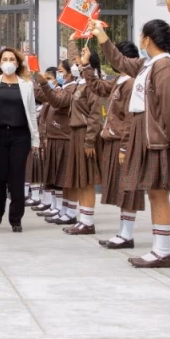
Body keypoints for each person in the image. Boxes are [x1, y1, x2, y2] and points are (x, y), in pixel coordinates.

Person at [91, 18, 170, 267]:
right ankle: (158, 250)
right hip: (144, 137)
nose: (140, 40)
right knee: (154, 194)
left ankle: (162, 252)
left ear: (148, 40)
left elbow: (169, 108)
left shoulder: (164, 66)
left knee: (159, 194)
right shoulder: (148, 64)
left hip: (156, 140)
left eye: (142, 35)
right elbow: (120, 61)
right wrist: (101, 36)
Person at [81, 41, 146, 248]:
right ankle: (122, 233)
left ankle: (126, 235)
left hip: (122, 141)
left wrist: (126, 146)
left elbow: (130, 118)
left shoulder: (132, 83)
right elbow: (99, 87)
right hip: (113, 140)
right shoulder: (120, 80)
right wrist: (86, 67)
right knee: (119, 189)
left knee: (127, 189)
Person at [0, 48, 40, 232]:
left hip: (20, 136)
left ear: (18, 63)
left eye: (12, 59)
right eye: (5, 59)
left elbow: (31, 113)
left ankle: (16, 218)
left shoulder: (26, 85)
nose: (8, 62)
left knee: (17, 176)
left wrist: (35, 140)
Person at [63, 48, 105, 235]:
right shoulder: (81, 83)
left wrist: (89, 141)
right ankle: (83, 219)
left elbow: (96, 114)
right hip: (76, 133)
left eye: (79, 58)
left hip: (86, 134)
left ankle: (88, 222)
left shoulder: (92, 83)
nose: (75, 62)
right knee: (80, 178)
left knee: (86, 179)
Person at [33, 60, 75, 224]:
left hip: (64, 137)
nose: (58, 75)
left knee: (63, 177)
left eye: (59, 71)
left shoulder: (67, 90)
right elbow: (42, 96)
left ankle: (67, 211)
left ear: (69, 73)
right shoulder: (59, 90)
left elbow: (56, 101)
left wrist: (43, 84)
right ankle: (58, 208)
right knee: (55, 176)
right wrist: (33, 81)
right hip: (53, 137)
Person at [25, 67, 56, 207]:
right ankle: (42, 199)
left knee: (46, 170)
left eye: (49, 79)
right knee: (31, 167)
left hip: (49, 138)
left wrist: (32, 81)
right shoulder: (44, 102)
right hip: (39, 139)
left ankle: (52, 203)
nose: (46, 82)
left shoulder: (58, 95)